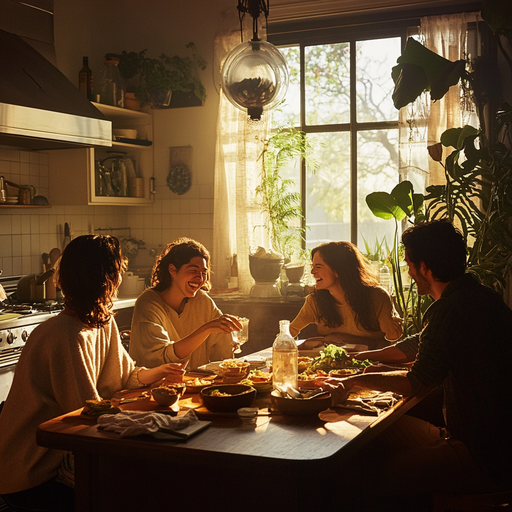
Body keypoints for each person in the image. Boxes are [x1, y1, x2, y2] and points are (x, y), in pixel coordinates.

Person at [320, 220, 512, 504]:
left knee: (371, 472)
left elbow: (417, 380)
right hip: (488, 439)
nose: (408, 272)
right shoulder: (476, 295)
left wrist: (351, 381)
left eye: (410, 264)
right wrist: (363, 357)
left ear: (425, 267)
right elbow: (419, 343)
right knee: (373, 436)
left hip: (483, 454)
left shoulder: (449, 309)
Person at [0, 235, 185, 512]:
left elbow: (125, 377)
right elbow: (88, 414)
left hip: (63, 459)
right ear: (103, 279)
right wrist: (153, 423)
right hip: (32, 471)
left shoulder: (102, 323)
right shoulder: (63, 335)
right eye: (118, 272)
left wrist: (160, 372)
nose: (121, 280)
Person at [129, 238, 241, 370]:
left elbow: (222, 351)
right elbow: (162, 357)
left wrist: (231, 339)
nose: (200, 278)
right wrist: (206, 329)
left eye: (204, 272)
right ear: (172, 270)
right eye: (193, 270)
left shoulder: (202, 300)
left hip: (197, 385)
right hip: (156, 388)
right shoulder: (148, 304)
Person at [289, 241, 403, 349]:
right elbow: (288, 332)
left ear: (338, 270)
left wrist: (346, 339)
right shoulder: (314, 301)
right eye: (312, 266)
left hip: (371, 363)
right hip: (329, 364)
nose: (312, 272)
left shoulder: (377, 296)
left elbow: (392, 341)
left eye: (318, 266)